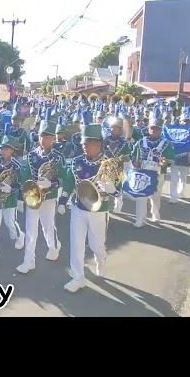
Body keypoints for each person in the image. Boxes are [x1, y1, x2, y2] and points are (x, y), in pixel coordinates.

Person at [58, 123, 120, 293]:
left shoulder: (109, 163)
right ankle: (78, 277)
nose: (85, 147)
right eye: (84, 144)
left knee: (96, 245)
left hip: (99, 210)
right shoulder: (77, 161)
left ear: (99, 144)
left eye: (89, 144)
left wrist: (113, 190)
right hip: (79, 207)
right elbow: (70, 182)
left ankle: (101, 258)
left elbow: (119, 186)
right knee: (76, 244)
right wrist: (63, 201)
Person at [17, 114, 65, 274]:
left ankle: (53, 246)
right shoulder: (31, 155)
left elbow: (63, 178)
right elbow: (25, 177)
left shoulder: (58, 157)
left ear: (53, 139)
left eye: (48, 136)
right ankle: (29, 261)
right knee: (31, 230)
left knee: (47, 227)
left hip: (49, 197)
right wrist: (20, 197)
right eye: (42, 135)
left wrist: (51, 184)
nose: (44, 139)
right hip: (32, 196)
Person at [131, 109, 175, 227]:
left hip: (158, 173)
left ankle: (155, 214)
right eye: (151, 128)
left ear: (160, 130)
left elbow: (170, 159)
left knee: (155, 195)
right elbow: (133, 155)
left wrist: (165, 162)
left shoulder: (166, 143)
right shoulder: (141, 142)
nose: (153, 130)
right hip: (142, 171)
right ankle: (140, 219)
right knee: (141, 196)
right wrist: (135, 162)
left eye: (156, 128)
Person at [0, 132, 24, 260]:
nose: (4, 151)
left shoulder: (17, 166)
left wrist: (11, 188)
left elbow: (21, 184)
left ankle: (20, 236)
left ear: (12, 150)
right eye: (2, 148)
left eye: (7, 149)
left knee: (9, 223)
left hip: (10, 200)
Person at [168, 112, 190, 204]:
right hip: (175, 157)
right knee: (174, 178)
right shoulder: (173, 130)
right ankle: (173, 197)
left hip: (187, 158)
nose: (186, 123)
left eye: (187, 121)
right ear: (180, 121)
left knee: (183, 178)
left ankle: (180, 192)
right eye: (184, 121)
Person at [103, 115, 132, 212]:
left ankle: (118, 205)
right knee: (104, 186)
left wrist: (121, 159)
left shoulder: (123, 142)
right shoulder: (104, 140)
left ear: (120, 130)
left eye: (115, 128)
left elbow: (128, 157)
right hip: (105, 167)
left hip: (118, 168)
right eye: (111, 128)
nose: (113, 130)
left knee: (118, 187)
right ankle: (105, 204)